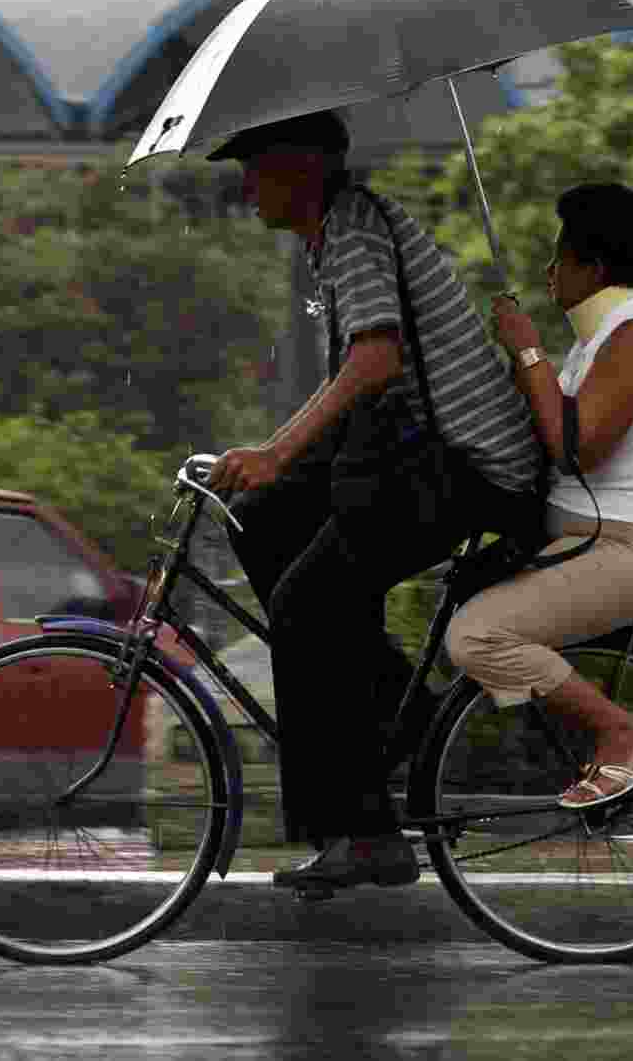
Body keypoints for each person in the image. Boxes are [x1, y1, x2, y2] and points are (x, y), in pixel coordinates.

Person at [205, 110, 544, 892]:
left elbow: (376, 361)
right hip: (414, 453)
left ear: (302, 165)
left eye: (254, 164)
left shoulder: (353, 229)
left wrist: (276, 451)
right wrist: (268, 462)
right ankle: (398, 713)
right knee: (258, 520)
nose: (246, 184)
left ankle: (361, 832)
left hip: (464, 465)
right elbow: (355, 384)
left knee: (306, 603)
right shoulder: (339, 236)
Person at [446, 181, 633, 808]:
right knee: (465, 594)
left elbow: (575, 445)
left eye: (559, 257)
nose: (547, 269)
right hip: (599, 536)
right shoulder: (604, 338)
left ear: (594, 268)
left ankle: (619, 732)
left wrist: (528, 348)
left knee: (476, 636)